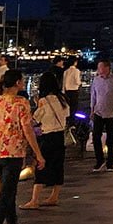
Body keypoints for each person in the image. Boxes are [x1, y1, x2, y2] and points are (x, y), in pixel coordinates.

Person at [0, 70, 44, 224]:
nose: (23, 84)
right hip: (13, 152)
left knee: (8, 192)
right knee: (4, 196)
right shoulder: (21, 103)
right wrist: (38, 154)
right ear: (17, 82)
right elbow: (27, 129)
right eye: (22, 81)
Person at [22, 71, 68, 208]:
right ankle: (54, 196)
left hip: (48, 136)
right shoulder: (62, 99)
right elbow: (67, 114)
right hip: (60, 136)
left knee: (41, 166)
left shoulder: (43, 101)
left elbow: (36, 118)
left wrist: (36, 105)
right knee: (58, 166)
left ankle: (35, 200)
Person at [89, 59, 113, 172]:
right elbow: (93, 96)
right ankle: (99, 160)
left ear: (106, 68)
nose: (99, 70)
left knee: (111, 138)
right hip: (98, 112)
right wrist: (92, 110)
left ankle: (110, 162)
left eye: (100, 67)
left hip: (112, 113)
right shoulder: (96, 80)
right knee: (96, 137)